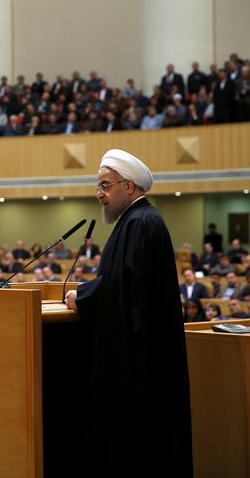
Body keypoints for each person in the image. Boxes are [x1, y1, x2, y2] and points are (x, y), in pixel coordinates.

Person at [64, 149, 192, 476]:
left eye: (106, 186)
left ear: (130, 186)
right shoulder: (136, 220)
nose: (99, 194)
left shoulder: (140, 223)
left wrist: (83, 296)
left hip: (140, 361)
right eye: (98, 187)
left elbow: (127, 287)